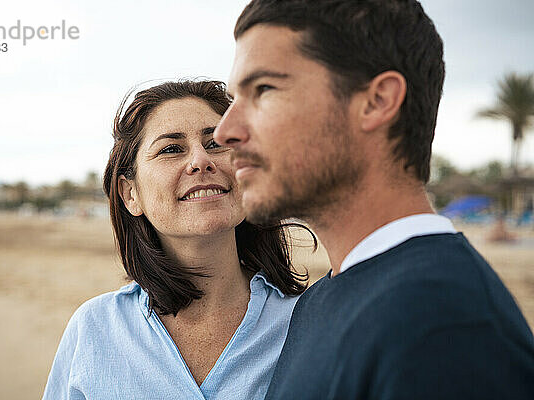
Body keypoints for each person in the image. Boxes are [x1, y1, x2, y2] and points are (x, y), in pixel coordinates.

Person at [214, 1, 534, 398]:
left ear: (378, 101)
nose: (224, 131)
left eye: (263, 90)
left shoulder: (446, 330)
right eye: (233, 98)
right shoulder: (321, 300)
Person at [42, 80, 308, 399]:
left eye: (215, 143)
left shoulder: (307, 320)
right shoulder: (95, 328)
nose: (200, 160)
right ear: (130, 194)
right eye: (171, 149)